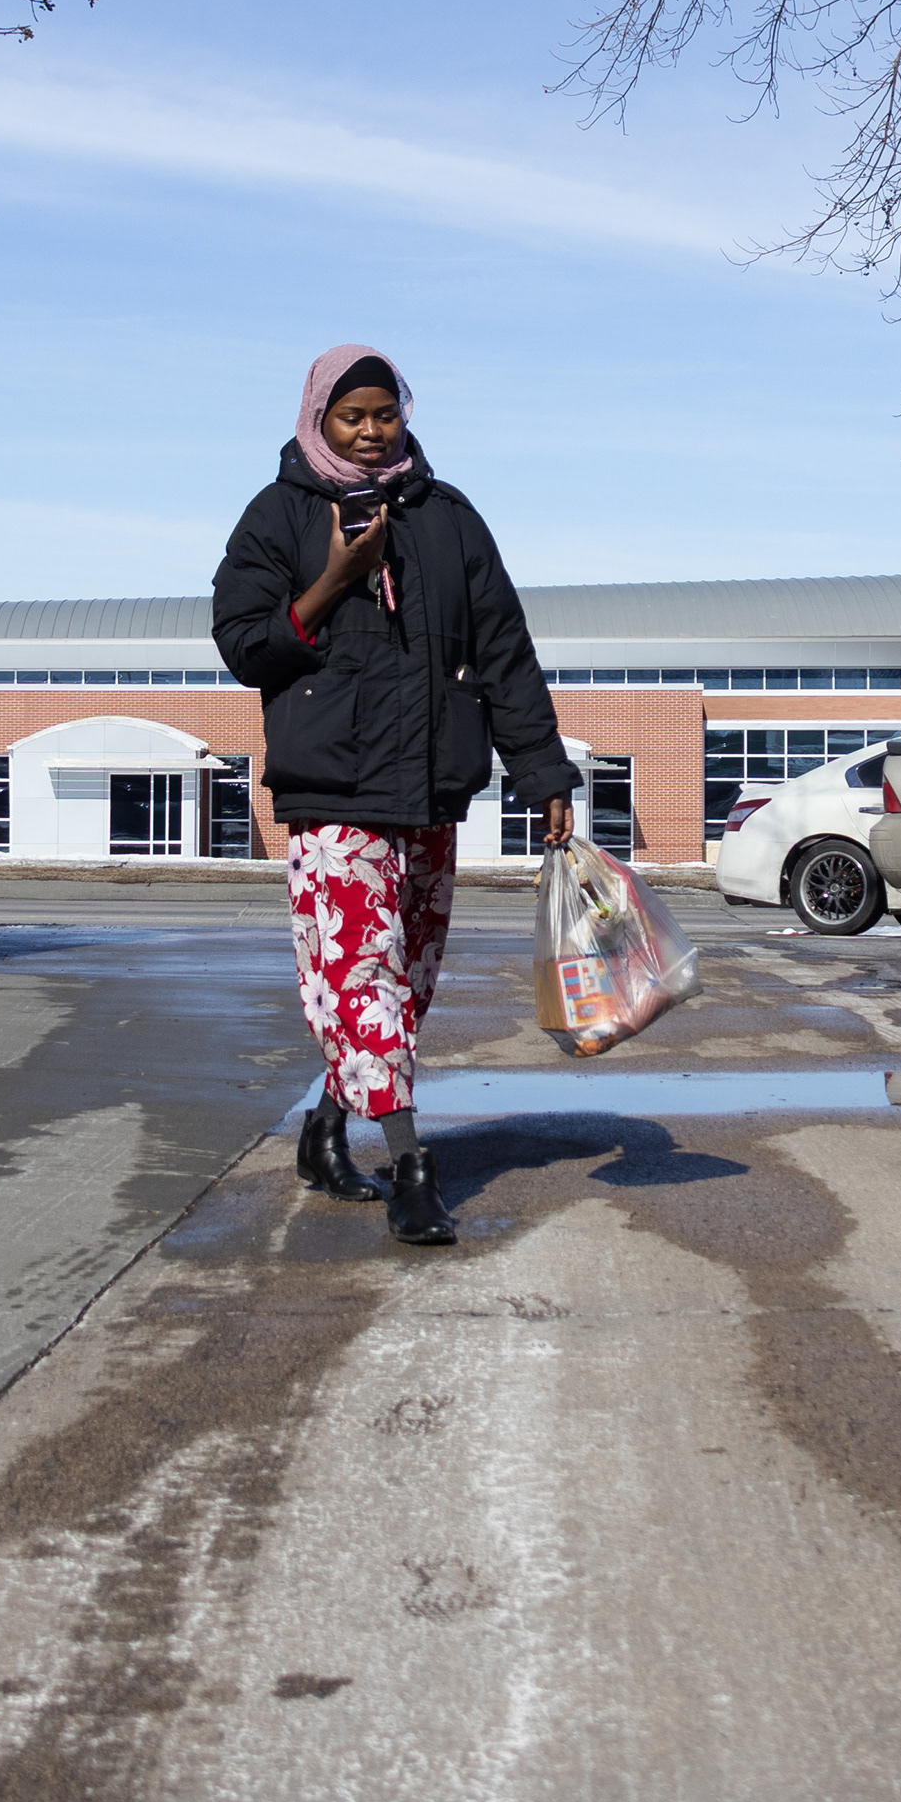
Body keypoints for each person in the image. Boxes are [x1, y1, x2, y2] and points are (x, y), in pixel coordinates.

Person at [213, 346, 576, 1246]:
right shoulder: (277, 517)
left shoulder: (451, 520)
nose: (372, 433)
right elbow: (245, 644)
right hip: (332, 793)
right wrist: (336, 575)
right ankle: (415, 1165)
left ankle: (326, 1133)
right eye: (352, 417)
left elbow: (504, 655)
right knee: (361, 977)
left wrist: (542, 773)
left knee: (401, 987)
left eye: (385, 414)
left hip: (429, 791)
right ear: (317, 421)